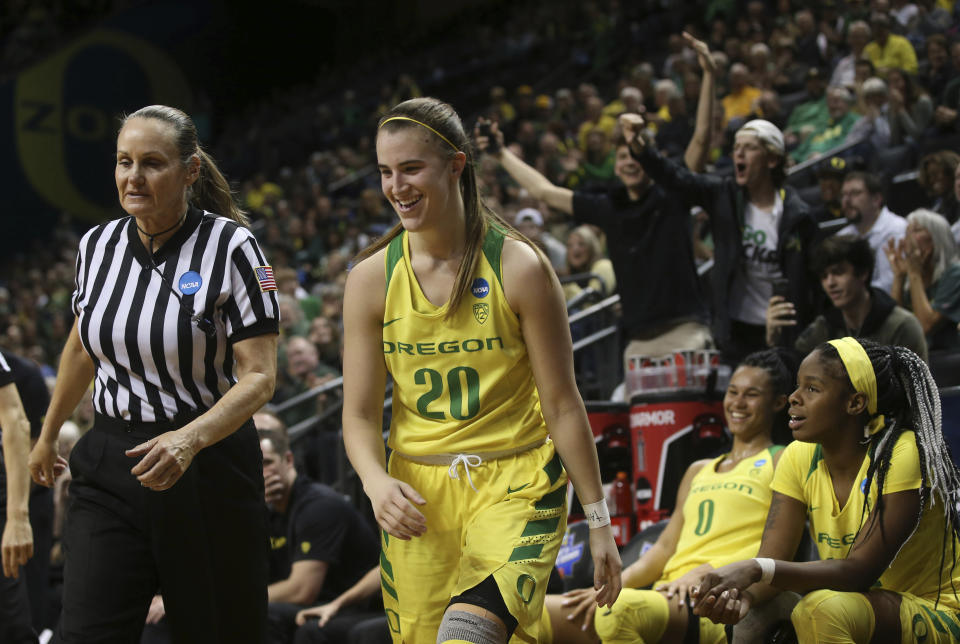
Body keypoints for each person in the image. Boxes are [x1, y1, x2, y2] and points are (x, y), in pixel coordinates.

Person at [341, 97, 621, 644]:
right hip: (418, 494)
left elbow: (563, 403)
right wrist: (376, 485)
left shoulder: (520, 265)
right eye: (385, 172)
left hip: (516, 484)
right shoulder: (371, 279)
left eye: (411, 168)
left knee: (468, 637)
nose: (396, 186)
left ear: (456, 165)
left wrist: (599, 522)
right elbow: (356, 415)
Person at [27, 105, 280, 643]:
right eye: (123, 162)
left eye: (151, 163)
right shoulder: (96, 246)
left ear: (190, 171)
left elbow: (259, 376)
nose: (133, 177)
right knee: (86, 633)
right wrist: (47, 434)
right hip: (110, 462)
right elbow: (80, 347)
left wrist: (188, 440)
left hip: (206, 464)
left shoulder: (235, 247)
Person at [691, 338, 960, 643]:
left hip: (939, 611)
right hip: (857, 605)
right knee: (753, 616)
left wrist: (754, 568)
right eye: (797, 386)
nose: (794, 398)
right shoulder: (797, 457)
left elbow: (860, 572)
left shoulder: (903, 452)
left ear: (854, 403)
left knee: (822, 609)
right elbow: (771, 563)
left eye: (812, 388)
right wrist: (744, 597)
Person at [478, 32, 715, 365]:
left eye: (636, 154)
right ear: (616, 166)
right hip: (637, 344)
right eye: (622, 158)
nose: (630, 162)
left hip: (685, 331)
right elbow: (545, 192)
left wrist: (709, 76)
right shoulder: (609, 207)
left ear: (650, 158)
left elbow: (702, 140)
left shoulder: (672, 193)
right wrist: (501, 153)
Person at [538, 349, 798, 644]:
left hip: (713, 597)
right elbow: (662, 550)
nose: (738, 403)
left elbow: (778, 553)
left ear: (778, 403)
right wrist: (611, 586)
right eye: (733, 392)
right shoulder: (698, 470)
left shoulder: (783, 460)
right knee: (531, 615)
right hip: (668, 594)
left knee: (621, 613)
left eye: (751, 395)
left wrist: (712, 574)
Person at [620, 112, 818, 364]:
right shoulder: (723, 195)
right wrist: (639, 145)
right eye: (736, 147)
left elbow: (811, 280)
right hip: (735, 331)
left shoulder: (798, 215)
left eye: (749, 148)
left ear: (771, 159)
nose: (738, 154)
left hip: (784, 329)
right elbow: (675, 177)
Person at [257, 411, 380, 644]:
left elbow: (302, 590)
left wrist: (232, 600)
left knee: (263, 614)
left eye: (267, 463)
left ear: (289, 460)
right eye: (255, 466)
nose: (262, 473)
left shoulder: (319, 504)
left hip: (352, 605)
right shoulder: (266, 510)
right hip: (319, 605)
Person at [767, 236, 927, 360]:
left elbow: (917, 393)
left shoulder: (902, 326)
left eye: (838, 272)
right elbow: (791, 374)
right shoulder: (822, 329)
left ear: (863, 273)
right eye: (824, 276)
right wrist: (774, 341)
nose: (830, 283)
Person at [1, 349, 52, 644]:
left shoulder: (26, 377)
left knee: (19, 616)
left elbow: (31, 439)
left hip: (25, 495)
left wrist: (16, 516)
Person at [887, 208, 960, 350]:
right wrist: (899, 276)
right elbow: (895, 327)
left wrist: (914, 274)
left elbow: (924, 327)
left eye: (916, 230)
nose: (907, 238)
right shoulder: (916, 279)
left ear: (936, 238)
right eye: (907, 232)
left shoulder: (955, 274)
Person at [835, 171, 906, 294]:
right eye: (843, 195)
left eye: (855, 193)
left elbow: (889, 286)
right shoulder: (842, 237)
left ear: (876, 199)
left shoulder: (896, 230)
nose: (846, 200)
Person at [294, 566, 391, 644]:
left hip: (403, 613)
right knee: (311, 631)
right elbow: (385, 567)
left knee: (367, 633)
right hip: (388, 609)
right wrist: (335, 604)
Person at [560, 225, 616, 302]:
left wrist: (568, 285)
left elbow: (592, 305)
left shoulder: (603, 266)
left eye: (581, 244)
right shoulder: (571, 274)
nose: (575, 249)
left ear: (592, 247)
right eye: (570, 245)